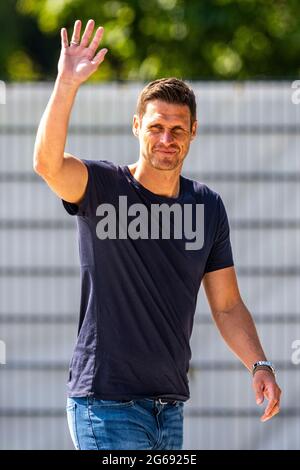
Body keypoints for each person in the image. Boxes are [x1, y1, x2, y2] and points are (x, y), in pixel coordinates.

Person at [33, 19, 281, 450]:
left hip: (169, 406)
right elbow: (47, 164)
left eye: (177, 129)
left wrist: (258, 364)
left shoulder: (207, 207)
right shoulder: (101, 187)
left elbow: (226, 306)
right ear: (136, 127)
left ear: (193, 133)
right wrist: (66, 83)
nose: (166, 138)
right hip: (105, 403)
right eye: (155, 127)